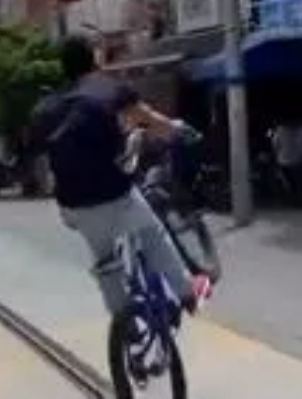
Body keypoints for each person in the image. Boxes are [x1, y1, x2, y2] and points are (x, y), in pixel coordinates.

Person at [28, 35, 213, 316]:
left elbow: (38, 155)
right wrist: (177, 130)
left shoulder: (49, 106)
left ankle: (123, 323)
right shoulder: (107, 88)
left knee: (104, 259)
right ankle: (187, 293)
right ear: (94, 58)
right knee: (152, 234)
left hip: (72, 206)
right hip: (112, 195)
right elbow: (150, 120)